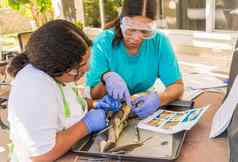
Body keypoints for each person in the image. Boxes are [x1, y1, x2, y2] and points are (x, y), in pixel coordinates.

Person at [7, 20, 121, 162]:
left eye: (87, 61)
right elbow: (41, 155)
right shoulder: (34, 87)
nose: (87, 69)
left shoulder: (60, 75)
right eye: (81, 65)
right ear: (56, 67)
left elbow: (65, 105)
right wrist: (86, 125)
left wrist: (94, 104)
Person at [86, 0, 184, 118]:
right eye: (131, 30)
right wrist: (105, 80)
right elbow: (94, 96)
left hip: (142, 105)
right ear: (122, 22)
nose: (137, 38)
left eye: (144, 31)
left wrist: (159, 99)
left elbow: (177, 86)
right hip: (112, 109)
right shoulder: (102, 43)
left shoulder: (159, 42)